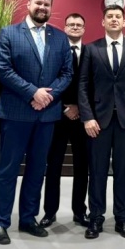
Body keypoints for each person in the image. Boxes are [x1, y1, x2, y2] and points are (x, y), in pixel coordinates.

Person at [0, 0, 74, 245]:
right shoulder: (9, 33)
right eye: (39, 3)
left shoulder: (60, 38)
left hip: (46, 116)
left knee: (37, 170)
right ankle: (0, 222)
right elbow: (4, 69)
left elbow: (67, 73)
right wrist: (32, 93)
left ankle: (28, 218)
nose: (42, 8)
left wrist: (47, 96)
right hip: (15, 113)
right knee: (7, 170)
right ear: (28, 4)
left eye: (47, 5)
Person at [79, 5, 125, 240]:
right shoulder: (91, 49)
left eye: (117, 17)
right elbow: (83, 86)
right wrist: (87, 117)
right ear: (103, 22)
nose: (113, 19)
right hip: (97, 122)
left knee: (124, 171)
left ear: (123, 22)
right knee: (97, 172)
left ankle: (122, 218)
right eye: (109, 16)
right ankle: (96, 218)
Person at [41, 13, 88, 228]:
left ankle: (80, 211)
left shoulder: (91, 52)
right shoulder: (54, 52)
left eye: (79, 24)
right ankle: (49, 212)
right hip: (57, 116)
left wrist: (79, 108)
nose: (75, 27)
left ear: (84, 29)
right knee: (54, 166)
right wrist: (64, 107)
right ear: (65, 27)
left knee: (82, 166)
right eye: (71, 24)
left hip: (82, 118)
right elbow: (48, 82)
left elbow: (92, 85)